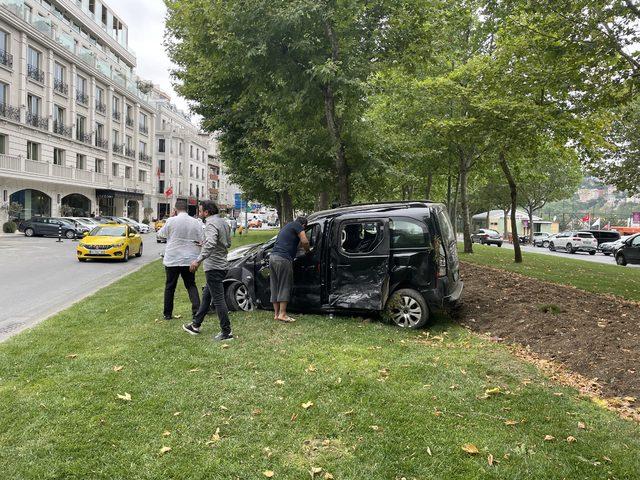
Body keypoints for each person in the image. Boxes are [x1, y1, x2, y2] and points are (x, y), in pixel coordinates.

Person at [183, 201, 234, 341]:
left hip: (214, 266)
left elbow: (212, 243)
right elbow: (227, 243)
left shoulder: (211, 224)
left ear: (206, 212)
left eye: (201, 211)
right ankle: (195, 325)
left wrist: (198, 260)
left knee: (218, 300)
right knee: (206, 296)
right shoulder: (223, 222)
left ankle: (226, 332)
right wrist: (204, 244)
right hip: (222, 264)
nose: (199, 213)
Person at [157, 200, 203, 320]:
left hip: (173, 257)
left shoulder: (171, 220)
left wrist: (171, 220)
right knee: (191, 285)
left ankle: (167, 313)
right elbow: (201, 238)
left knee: (170, 286)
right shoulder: (195, 222)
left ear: (175, 209)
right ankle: (197, 311)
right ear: (187, 209)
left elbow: (161, 234)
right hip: (189, 258)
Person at [269, 216, 310, 323]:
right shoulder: (298, 226)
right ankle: (283, 314)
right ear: (304, 225)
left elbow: (293, 243)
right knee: (284, 285)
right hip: (283, 259)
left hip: (273, 257)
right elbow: (305, 241)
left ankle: (276, 314)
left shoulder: (288, 226)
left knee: (275, 285)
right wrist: (308, 251)